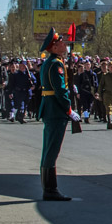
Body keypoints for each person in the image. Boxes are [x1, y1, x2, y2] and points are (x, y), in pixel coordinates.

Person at [37, 29, 74, 201]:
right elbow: (60, 90)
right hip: (56, 110)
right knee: (52, 151)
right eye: (61, 42)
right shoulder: (55, 64)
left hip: (50, 109)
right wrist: (68, 109)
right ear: (54, 46)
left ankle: (48, 187)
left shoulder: (49, 62)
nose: (64, 44)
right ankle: (50, 190)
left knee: (48, 149)